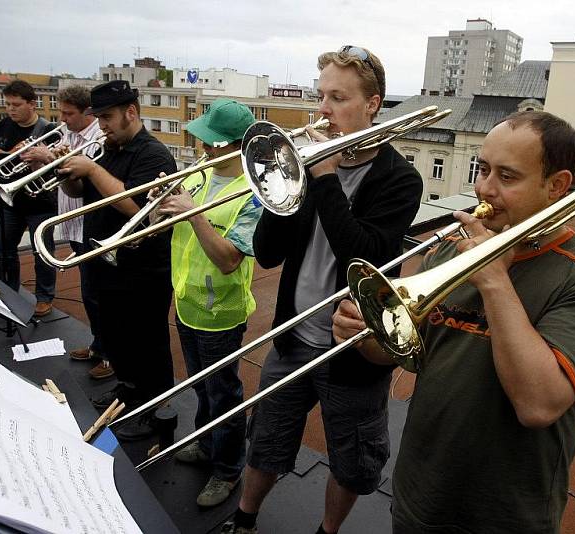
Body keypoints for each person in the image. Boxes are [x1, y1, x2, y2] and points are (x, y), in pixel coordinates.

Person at [331, 111, 575, 533]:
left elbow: (539, 405)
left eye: (507, 176)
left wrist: (493, 280)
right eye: (482, 169)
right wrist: (365, 332)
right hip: (419, 493)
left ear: (556, 186)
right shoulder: (451, 251)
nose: (485, 188)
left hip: (506, 513)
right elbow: (401, 352)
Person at [224, 46, 423, 534]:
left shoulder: (400, 180)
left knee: (352, 461)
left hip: (353, 349)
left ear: (372, 104)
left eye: (337, 98)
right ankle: (244, 520)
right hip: (292, 339)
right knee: (267, 440)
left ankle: (326, 531)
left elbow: (365, 257)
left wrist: (326, 178)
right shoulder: (310, 169)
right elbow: (267, 253)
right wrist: (281, 184)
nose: (323, 111)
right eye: (321, 97)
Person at [148, 99, 261, 508]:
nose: (204, 150)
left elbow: (230, 260)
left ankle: (228, 469)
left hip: (221, 312)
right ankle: (208, 442)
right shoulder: (198, 176)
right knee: (200, 385)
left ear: (234, 147)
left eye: (212, 144)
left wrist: (194, 213)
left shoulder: (253, 194)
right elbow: (165, 229)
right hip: (187, 303)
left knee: (223, 394)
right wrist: (160, 207)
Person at [58, 80, 177, 441]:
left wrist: (93, 170)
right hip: (105, 262)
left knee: (147, 342)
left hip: (142, 270)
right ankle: (127, 392)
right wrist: (66, 172)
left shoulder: (152, 155)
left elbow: (140, 209)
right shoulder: (107, 149)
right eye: (99, 117)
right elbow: (81, 192)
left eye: (108, 117)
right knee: (116, 338)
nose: (103, 124)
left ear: (131, 112)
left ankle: (153, 408)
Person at [21, 85, 111, 380]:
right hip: (72, 223)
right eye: (60, 112)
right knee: (88, 292)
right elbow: (61, 179)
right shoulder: (65, 135)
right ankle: (99, 345)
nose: (62, 118)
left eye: (68, 113)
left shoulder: (99, 137)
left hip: (92, 224)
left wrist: (53, 159)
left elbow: (90, 180)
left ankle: (110, 356)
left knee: (100, 294)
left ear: (87, 112)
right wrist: (41, 162)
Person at [0, 80, 58, 317]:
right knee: (4, 250)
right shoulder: (5, 125)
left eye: (16, 104)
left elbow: (53, 165)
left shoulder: (47, 129)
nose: (10, 109)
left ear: (32, 104)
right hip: (9, 201)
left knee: (41, 252)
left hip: (40, 202)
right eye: (8, 105)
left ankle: (44, 297)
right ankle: (8, 290)